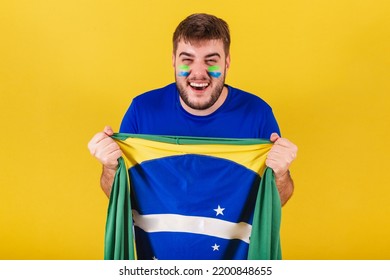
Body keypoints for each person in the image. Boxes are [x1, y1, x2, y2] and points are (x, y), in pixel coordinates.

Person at [88, 13, 297, 258]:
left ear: (227, 62)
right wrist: (110, 168)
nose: (199, 73)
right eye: (187, 60)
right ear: (174, 62)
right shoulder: (142, 111)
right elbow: (119, 196)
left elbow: (276, 201)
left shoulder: (257, 114)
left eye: (211, 61)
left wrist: (281, 173)